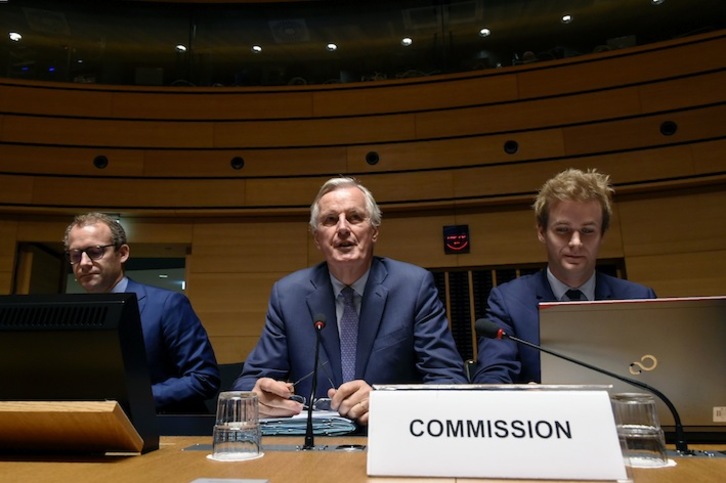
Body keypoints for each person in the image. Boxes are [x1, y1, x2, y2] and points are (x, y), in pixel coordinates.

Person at [233, 176, 467, 425]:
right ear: (316, 237)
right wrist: (257, 397)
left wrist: (387, 402)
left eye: (354, 217)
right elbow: (249, 383)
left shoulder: (413, 286)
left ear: (374, 231)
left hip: (391, 436)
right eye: (330, 220)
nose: (343, 228)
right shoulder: (289, 294)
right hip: (313, 447)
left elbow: (449, 380)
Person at [472, 168, 656, 384]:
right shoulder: (509, 301)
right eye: (562, 230)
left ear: (602, 235)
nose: (576, 242)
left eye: (587, 231)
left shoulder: (638, 299)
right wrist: (521, 398)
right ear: (542, 232)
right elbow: (491, 379)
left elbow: (657, 377)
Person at [64, 212, 220, 413]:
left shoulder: (167, 305)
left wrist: (129, 399)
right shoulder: (72, 315)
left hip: (163, 429)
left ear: (123, 253)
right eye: (76, 255)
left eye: (95, 251)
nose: (84, 263)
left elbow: (204, 379)